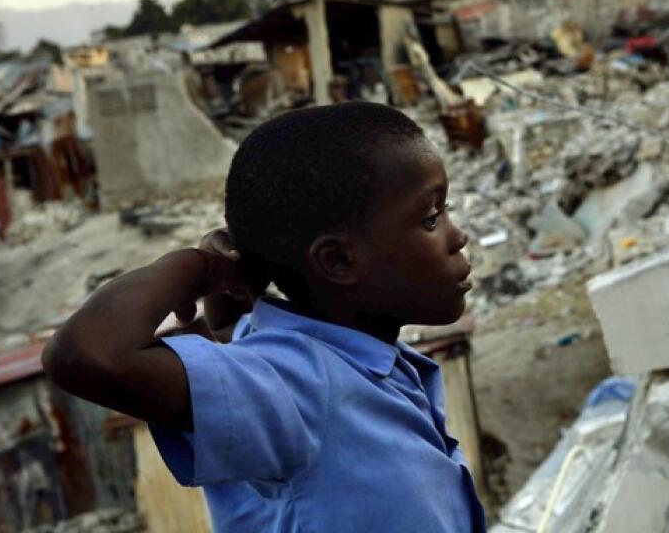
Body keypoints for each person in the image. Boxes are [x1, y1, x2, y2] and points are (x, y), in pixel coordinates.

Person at [43, 102, 484, 532]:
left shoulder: (367, 363)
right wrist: (197, 268)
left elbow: (235, 330)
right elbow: (88, 354)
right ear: (338, 261)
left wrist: (230, 296)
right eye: (430, 218)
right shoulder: (296, 383)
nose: (458, 235)